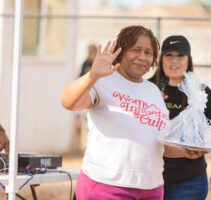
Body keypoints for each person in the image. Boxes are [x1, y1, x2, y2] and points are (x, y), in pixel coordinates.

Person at [60, 25, 170, 200]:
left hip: (151, 188)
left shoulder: (153, 91)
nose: (142, 57)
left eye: (148, 52)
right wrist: (92, 75)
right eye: (136, 50)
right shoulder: (103, 81)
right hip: (108, 186)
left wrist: (190, 151)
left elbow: (159, 142)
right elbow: (68, 102)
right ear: (121, 52)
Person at [149, 35, 211, 200]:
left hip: (188, 182)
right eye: (169, 55)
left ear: (188, 59)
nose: (174, 61)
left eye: (180, 55)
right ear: (161, 60)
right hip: (148, 180)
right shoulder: (148, 89)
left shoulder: (201, 93)